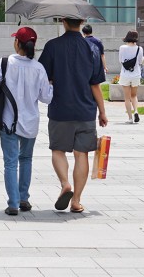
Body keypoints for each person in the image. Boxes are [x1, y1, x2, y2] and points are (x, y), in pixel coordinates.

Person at [37, 16, 108, 214]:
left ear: (64, 22)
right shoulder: (92, 48)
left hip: (60, 108)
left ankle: (65, 184)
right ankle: (76, 200)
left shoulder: (52, 46)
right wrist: (102, 111)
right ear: (82, 22)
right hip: (86, 109)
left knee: (58, 150)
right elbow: (95, 84)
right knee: (82, 154)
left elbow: (43, 76)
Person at [0, 26, 53, 216]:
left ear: (17, 43)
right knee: (26, 159)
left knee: (10, 162)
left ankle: (13, 203)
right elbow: (46, 98)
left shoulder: (5, 63)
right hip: (30, 122)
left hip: (8, 120)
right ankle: (24, 198)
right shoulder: (39, 68)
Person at [118, 30, 144, 124]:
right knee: (134, 95)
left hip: (125, 74)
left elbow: (120, 60)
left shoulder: (122, 48)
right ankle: (136, 111)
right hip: (136, 74)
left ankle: (130, 118)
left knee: (127, 97)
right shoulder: (139, 49)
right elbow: (139, 62)